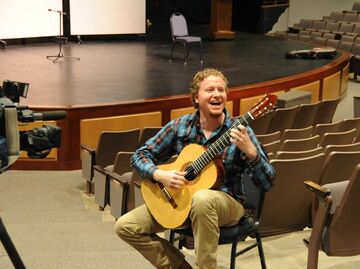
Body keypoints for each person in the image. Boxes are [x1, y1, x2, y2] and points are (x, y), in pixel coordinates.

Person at [115, 68, 275, 269]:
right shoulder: (181, 126)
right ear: (196, 98)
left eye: (221, 90)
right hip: (182, 201)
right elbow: (139, 156)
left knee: (202, 198)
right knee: (126, 226)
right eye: (210, 90)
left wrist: (252, 153)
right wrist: (160, 174)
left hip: (228, 204)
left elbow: (268, 182)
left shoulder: (241, 131)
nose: (217, 94)